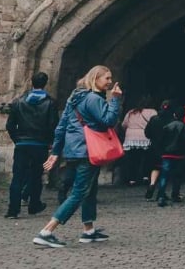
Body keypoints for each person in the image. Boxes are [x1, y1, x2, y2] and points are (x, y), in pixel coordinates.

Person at [33, 65, 123, 248]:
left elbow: (62, 126)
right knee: (79, 192)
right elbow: (108, 121)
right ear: (95, 79)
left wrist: (56, 152)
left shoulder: (75, 98)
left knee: (89, 188)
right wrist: (115, 100)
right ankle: (47, 231)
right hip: (88, 149)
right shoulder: (93, 99)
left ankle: (88, 230)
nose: (109, 82)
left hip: (74, 149)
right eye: (106, 78)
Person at [4, 71, 58, 218]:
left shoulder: (19, 101)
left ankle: (12, 209)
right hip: (39, 144)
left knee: (17, 177)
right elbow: (53, 124)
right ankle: (34, 204)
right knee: (36, 175)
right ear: (45, 83)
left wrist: (18, 140)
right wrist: (50, 142)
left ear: (31, 82)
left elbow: (10, 125)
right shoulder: (50, 102)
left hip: (22, 144)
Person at [153, 105, 185, 206]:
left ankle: (161, 196)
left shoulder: (167, 126)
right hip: (179, 155)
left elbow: (161, 140)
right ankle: (175, 195)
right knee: (177, 176)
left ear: (174, 115)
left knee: (164, 176)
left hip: (167, 154)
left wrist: (161, 151)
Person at [119, 98, 158, 187]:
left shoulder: (131, 112)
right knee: (146, 158)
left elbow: (124, 125)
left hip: (131, 138)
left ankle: (132, 179)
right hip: (144, 137)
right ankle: (145, 177)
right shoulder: (152, 112)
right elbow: (155, 123)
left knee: (133, 159)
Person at [142, 100, 171, 200]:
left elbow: (147, 133)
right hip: (167, 148)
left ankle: (152, 183)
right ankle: (161, 193)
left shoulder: (154, 119)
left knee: (155, 168)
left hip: (154, 147)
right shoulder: (171, 120)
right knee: (165, 170)